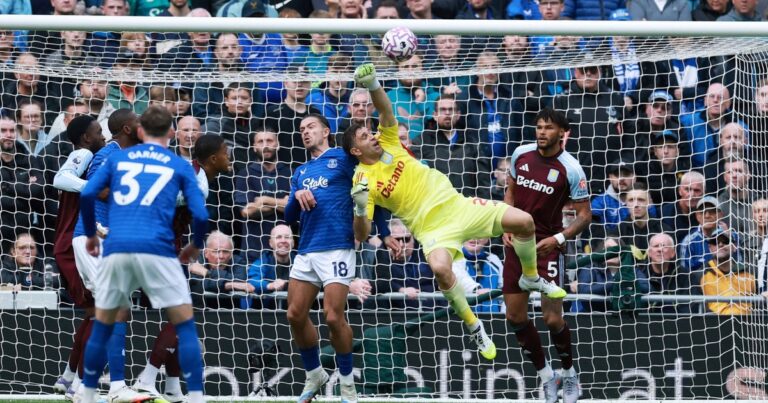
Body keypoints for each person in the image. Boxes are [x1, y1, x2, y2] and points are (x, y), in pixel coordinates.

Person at [346, 64, 565, 364]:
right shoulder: (361, 181)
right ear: (356, 151)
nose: (370, 135)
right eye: (362, 136)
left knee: (524, 222)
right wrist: (359, 207)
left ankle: (530, 277)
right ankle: (475, 327)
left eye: (368, 131)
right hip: (430, 228)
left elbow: (385, 111)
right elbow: (360, 234)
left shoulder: (387, 142)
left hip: (456, 205)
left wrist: (372, 83)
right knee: (439, 268)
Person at [77, 105, 208, 403]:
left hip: (118, 246)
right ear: (170, 132)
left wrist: (89, 234)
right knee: (183, 321)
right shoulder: (179, 164)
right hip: (157, 249)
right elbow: (200, 213)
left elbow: (86, 193)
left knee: (107, 318)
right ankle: (196, 396)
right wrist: (195, 245)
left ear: (140, 131)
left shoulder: (118, 158)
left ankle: (88, 393)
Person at [282, 112, 392, 403]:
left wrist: (384, 230)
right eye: (302, 128)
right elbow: (289, 216)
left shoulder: (344, 158)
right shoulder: (301, 172)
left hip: (338, 246)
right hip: (307, 248)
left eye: (311, 127)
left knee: (332, 316)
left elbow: (370, 192)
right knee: (294, 314)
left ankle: (346, 386)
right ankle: (315, 373)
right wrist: (297, 196)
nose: (305, 132)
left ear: (326, 130)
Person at [133, 134, 232, 402]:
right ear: (213, 158)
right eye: (225, 152)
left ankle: (173, 389)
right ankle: (147, 378)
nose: (229, 156)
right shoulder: (197, 183)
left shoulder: (191, 170)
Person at [502, 107, 591, 403]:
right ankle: (546, 377)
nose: (541, 132)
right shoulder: (521, 155)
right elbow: (510, 192)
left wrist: (558, 238)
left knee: (552, 319)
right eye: (539, 127)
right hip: (517, 245)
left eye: (548, 128)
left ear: (561, 133)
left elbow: (584, 215)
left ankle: (570, 374)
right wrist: (505, 220)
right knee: (515, 315)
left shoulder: (571, 168)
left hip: (547, 248)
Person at [70, 109, 141, 401]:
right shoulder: (108, 154)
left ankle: (81, 388)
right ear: (127, 128)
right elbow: (96, 191)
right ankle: (116, 387)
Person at [49, 115, 106, 397]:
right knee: (101, 312)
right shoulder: (82, 153)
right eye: (98, 132)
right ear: (86, 138)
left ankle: (69, 377)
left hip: (75, 242)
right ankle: (84, 385)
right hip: (73, 244)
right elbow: (59, 178)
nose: (103, 136)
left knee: (93, 314)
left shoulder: (95, 158)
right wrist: (92, 189)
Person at [701, 228, 756, 314]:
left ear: (734, 247)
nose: (720, 244)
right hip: (713, 324)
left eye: (725, 241)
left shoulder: (748, 274)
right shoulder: (701, 275)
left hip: (745, 324)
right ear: (710, 248)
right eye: (715, 242)